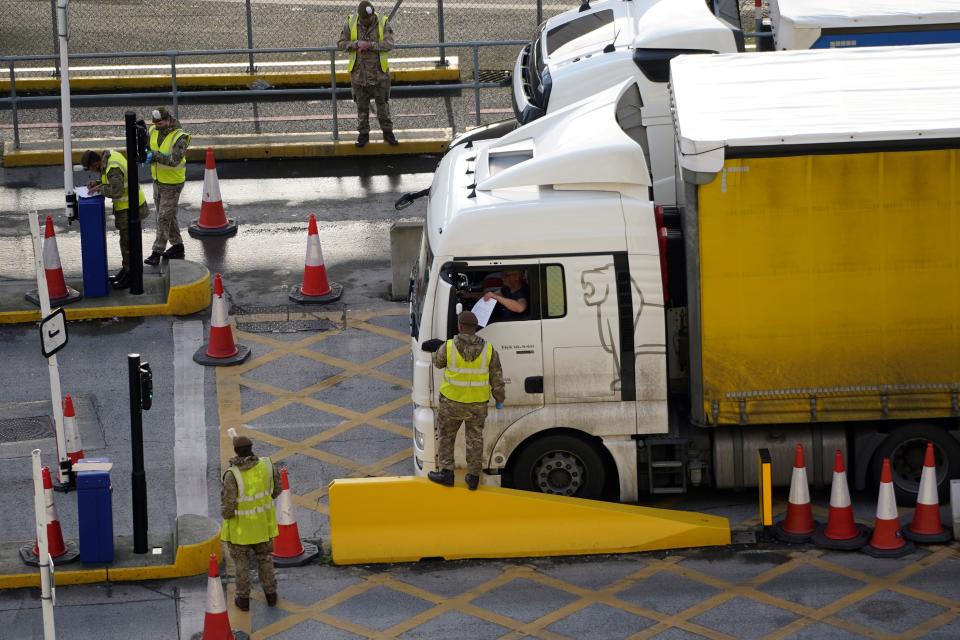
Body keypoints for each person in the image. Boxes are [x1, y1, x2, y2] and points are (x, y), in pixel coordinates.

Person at [427, 311, 506, 490]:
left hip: (451, 403)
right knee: (475, 439)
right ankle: (473, 477)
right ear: (475, 328)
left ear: (460, 327)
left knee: (447, 437)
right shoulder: (489, 349)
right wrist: (499, 399)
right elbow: (497, 378)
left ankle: (446, 474)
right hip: (477, 406)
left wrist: (436, 348)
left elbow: (438, 363)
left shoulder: (448, 347)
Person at [220, 434, 282, 611]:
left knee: (241, 565)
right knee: (265, 560)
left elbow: (227, 508)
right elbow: (276, 490)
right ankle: (271, 595)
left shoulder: (232, 475)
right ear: (251, 447)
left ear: (235, 451)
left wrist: (226, 513)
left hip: (240, 532)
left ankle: (243, 599)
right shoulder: (267, 465)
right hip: (263, 527)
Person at [81, 149, 151, 290]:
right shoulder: (110, 156)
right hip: (130, 206)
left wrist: (99, 189)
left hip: (129, 208)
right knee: (126, 243)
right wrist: (98, 183)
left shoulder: (112, 167)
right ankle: (126, 271)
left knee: (128, 244)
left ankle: (131, 277)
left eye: (91, 169)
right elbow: (112, 179)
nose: (93, 171)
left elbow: (117, 190)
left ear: (95, 163)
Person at [338, 1, 399, 148]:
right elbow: (340, 43)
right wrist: (355, 44)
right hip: (359, 75)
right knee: (361, 106)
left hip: (379, 75)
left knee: (383, 105)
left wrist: (370, 45)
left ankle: (387, 132)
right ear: (360, 17)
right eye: (364, 20)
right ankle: (363, 134)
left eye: (369, 20)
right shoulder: (350, 22)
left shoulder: (382, 22)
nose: (367, 23)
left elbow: (389, 44)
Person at [144, 106, 191, 265]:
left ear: (168, 119)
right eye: (156, 123)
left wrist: (154, 156)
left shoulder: (181, 137)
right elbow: (148, 147)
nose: (158, 126)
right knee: (166, 215)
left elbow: (174, 159)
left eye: (161, 122)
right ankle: (177, 246)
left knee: (163, 218)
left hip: (173, 183)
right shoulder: (152, 131)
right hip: (158, 180)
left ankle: (157, 252)